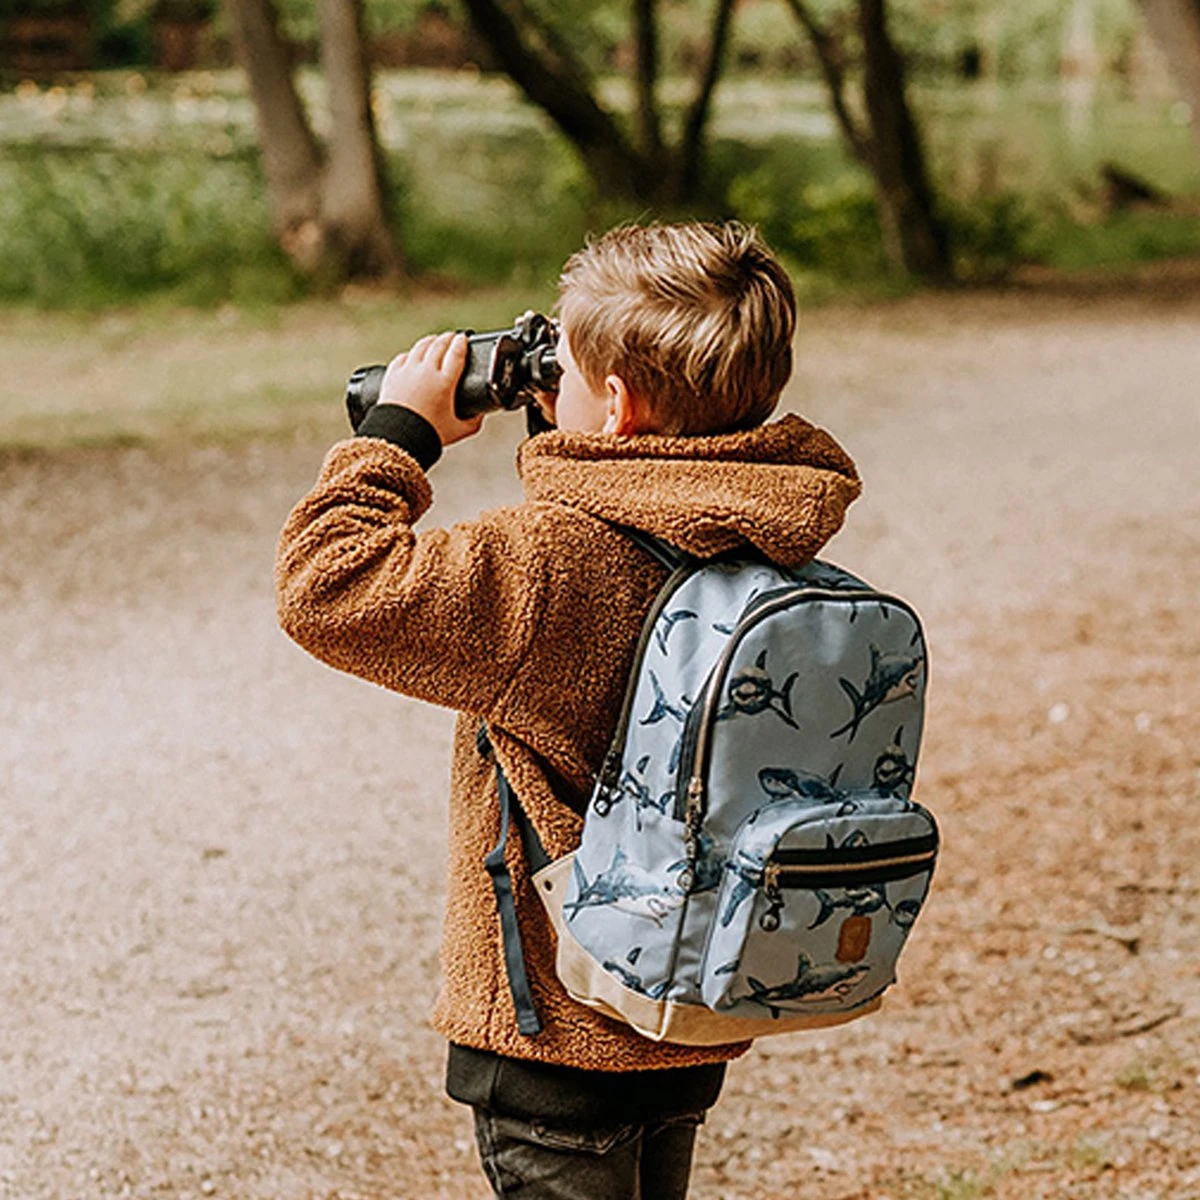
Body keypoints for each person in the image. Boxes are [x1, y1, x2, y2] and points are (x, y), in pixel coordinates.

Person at [275, 221, 862, 1198]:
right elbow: (645, 504)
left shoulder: (546, 564)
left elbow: (327, 584)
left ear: (619, 405)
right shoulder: (769, 535)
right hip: (686, 1011)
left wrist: (397, 432)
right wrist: (575, 432)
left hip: (556, 1029)